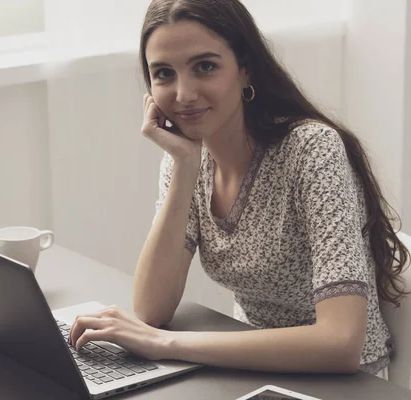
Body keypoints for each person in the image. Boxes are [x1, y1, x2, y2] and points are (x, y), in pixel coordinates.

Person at [67, 0, 410, 376]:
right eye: (164, 73)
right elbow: (151, 309)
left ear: (245, 69)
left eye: (205, 67)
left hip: (343, 383)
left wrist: (168, 345)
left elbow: (341, 342)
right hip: (247, 370)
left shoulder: (312, 151)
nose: (183, 94)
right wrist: (183, 166)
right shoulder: (185, 160)